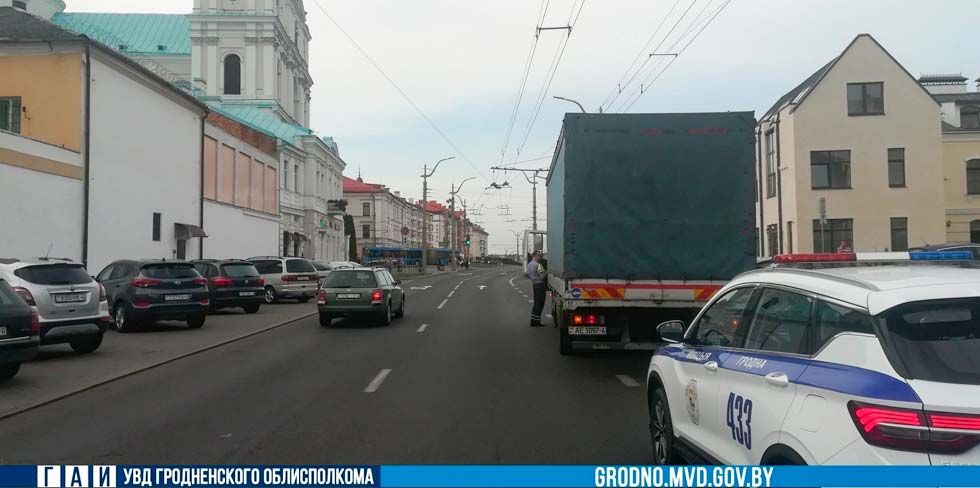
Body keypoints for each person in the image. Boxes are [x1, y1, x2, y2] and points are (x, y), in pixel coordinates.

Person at [526, 250, 547, 327]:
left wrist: (533, 278)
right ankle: (537, 322)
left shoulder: (529, 264)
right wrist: (547, 272)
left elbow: (527, 275)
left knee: (536, 303)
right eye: (539, 256)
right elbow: (542, 276)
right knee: (540, 303)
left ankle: (533, 320)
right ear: (535, 256)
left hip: (534, 284)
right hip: (540, 285)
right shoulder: (538, 265)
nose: (540, 258)